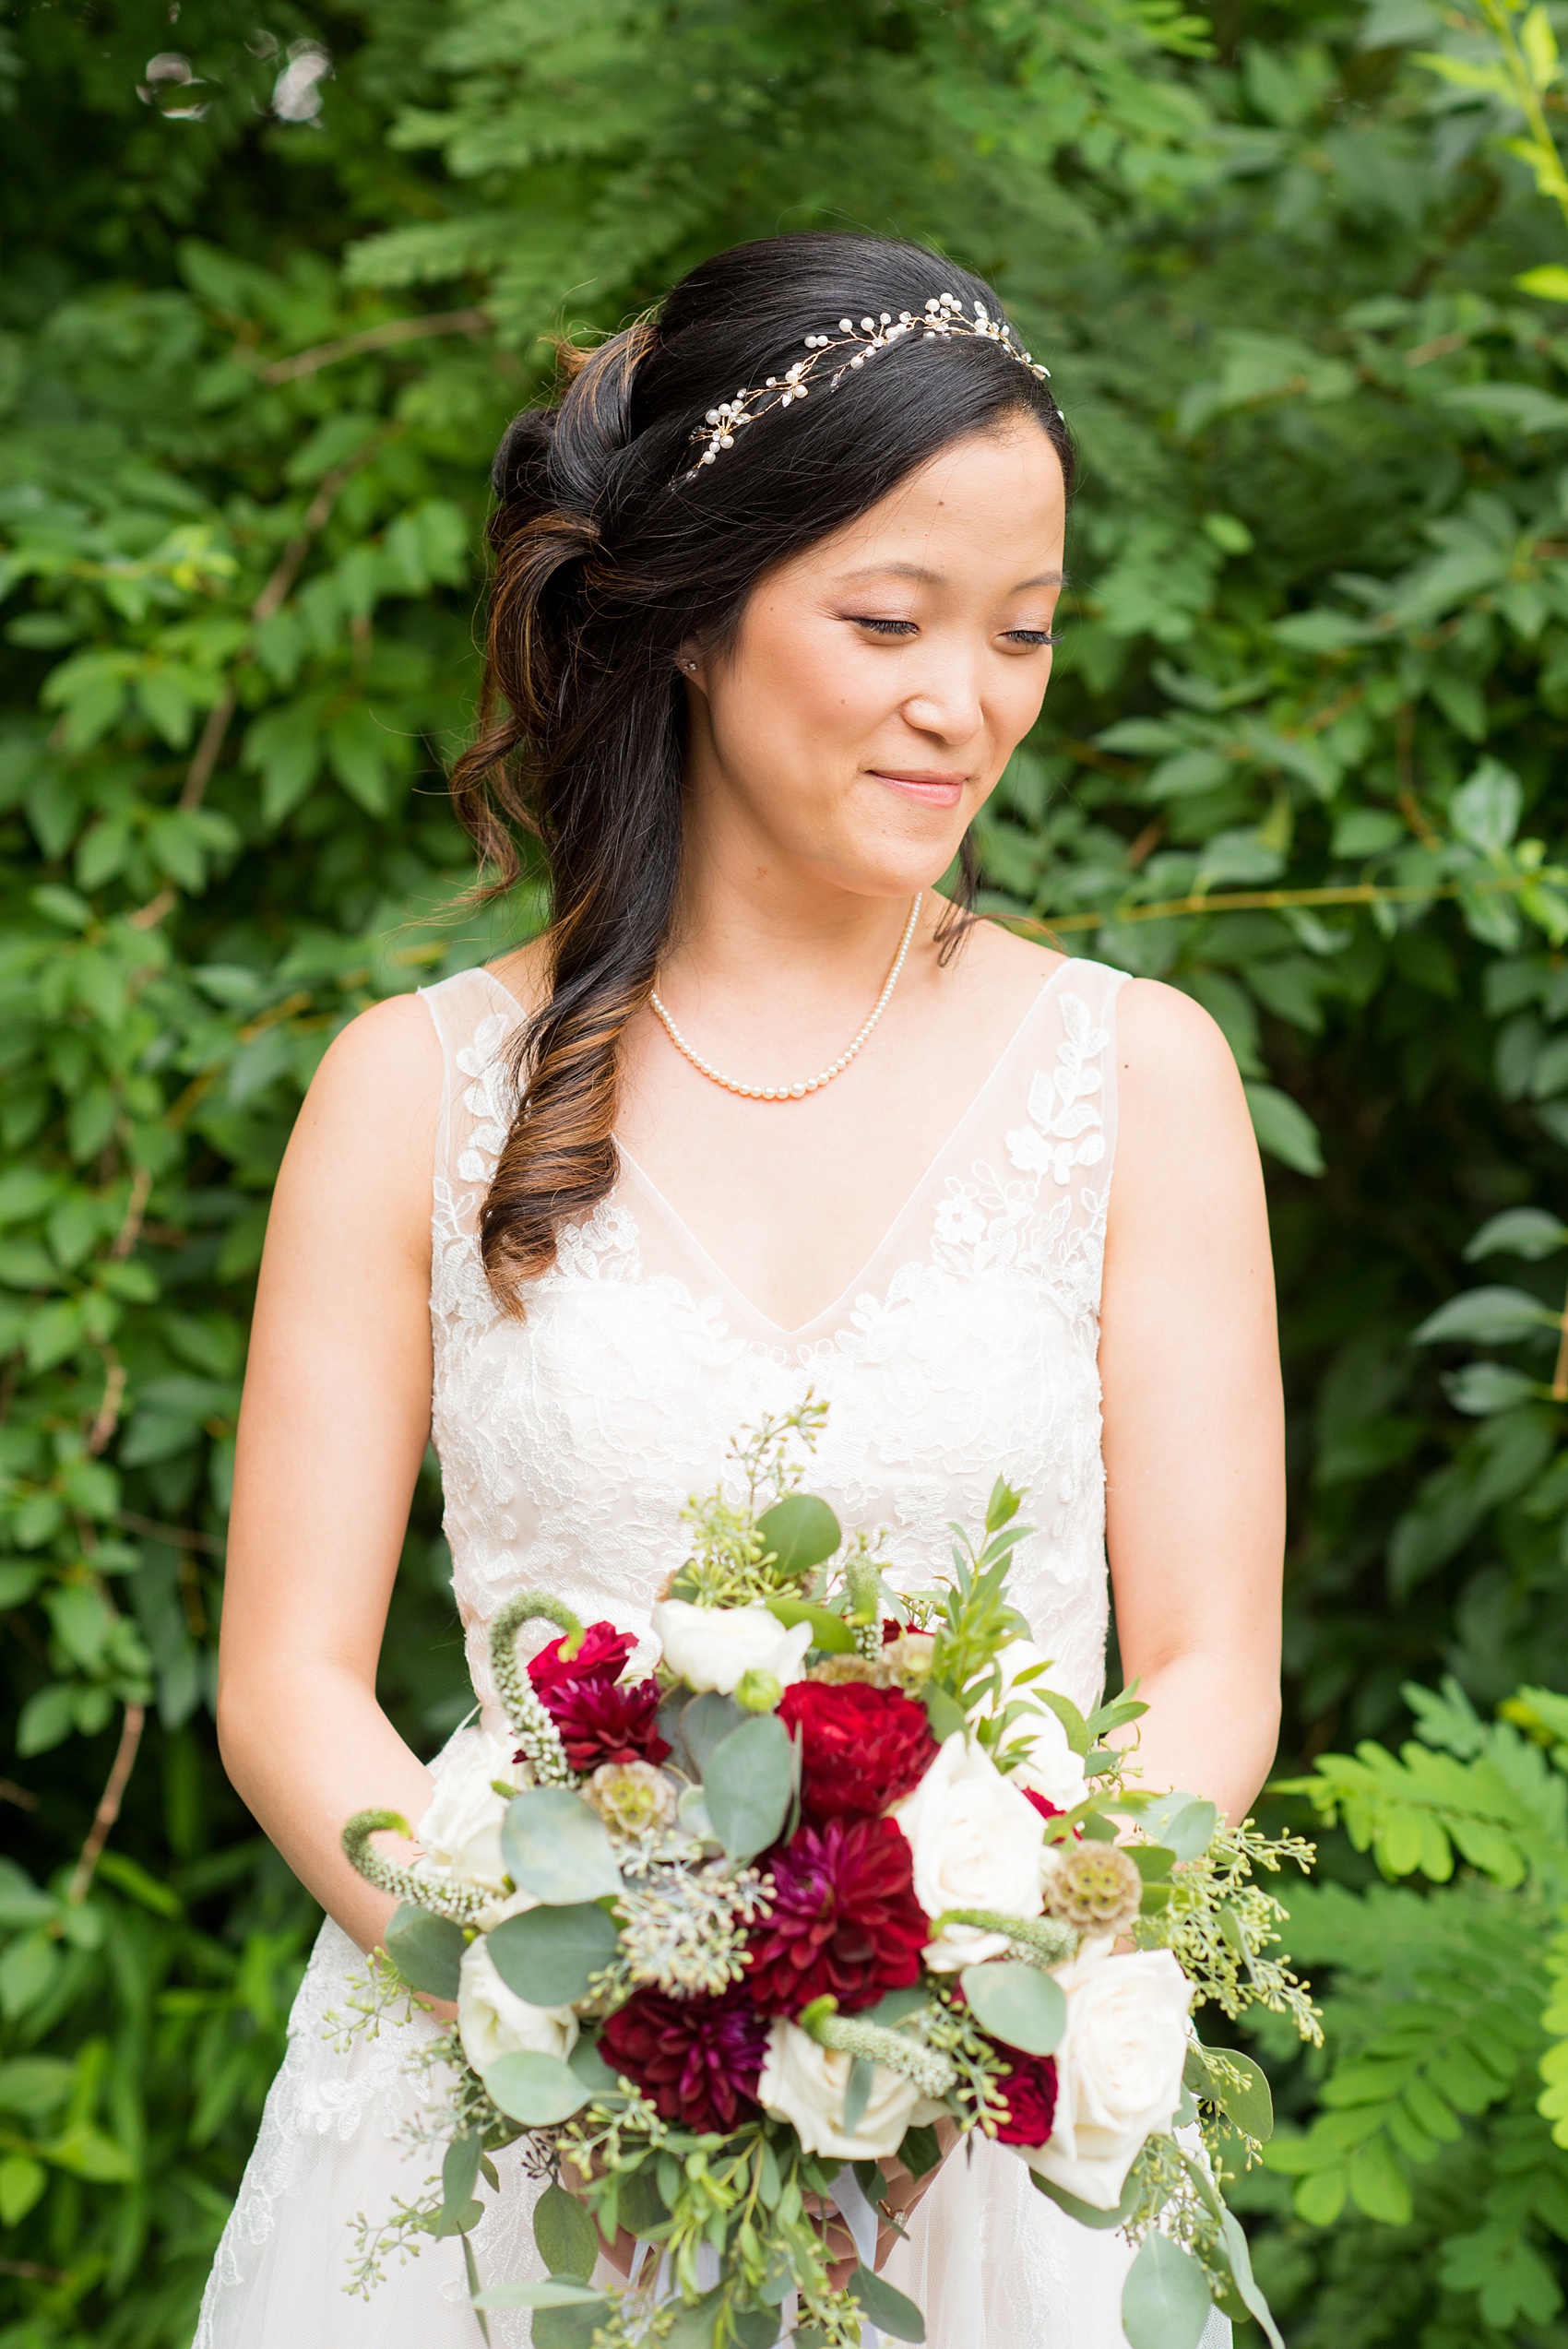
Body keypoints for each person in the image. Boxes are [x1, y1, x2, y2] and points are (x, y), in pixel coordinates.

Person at [197, 231, 1283, 2349]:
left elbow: (1212, 1657)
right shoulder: (407, 1097)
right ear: (693, 610)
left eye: (1024, 631)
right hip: (507, 2146)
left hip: (989, 2148)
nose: (963, 701)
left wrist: (979, 1983)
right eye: (884, 620)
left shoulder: (1135, 1078)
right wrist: (565, 1998)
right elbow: (287, 1687)